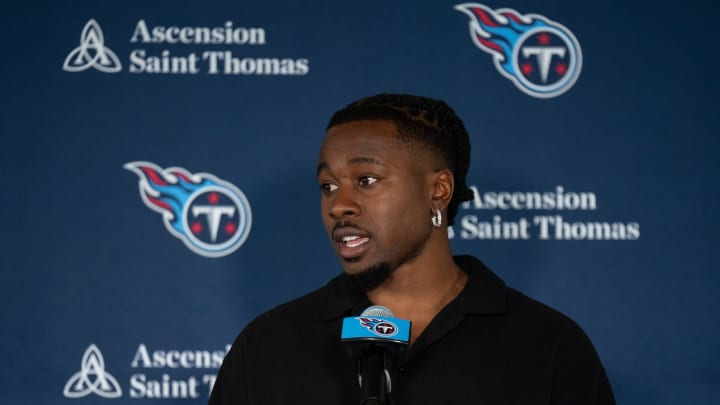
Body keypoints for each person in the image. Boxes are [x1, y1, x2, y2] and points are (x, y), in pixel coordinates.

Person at [209, 94, 615, 404]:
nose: (338, 205)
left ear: (438, 190)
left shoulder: (547, 344)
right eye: (328, 186)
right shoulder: (268, 344)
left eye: (366, 180)